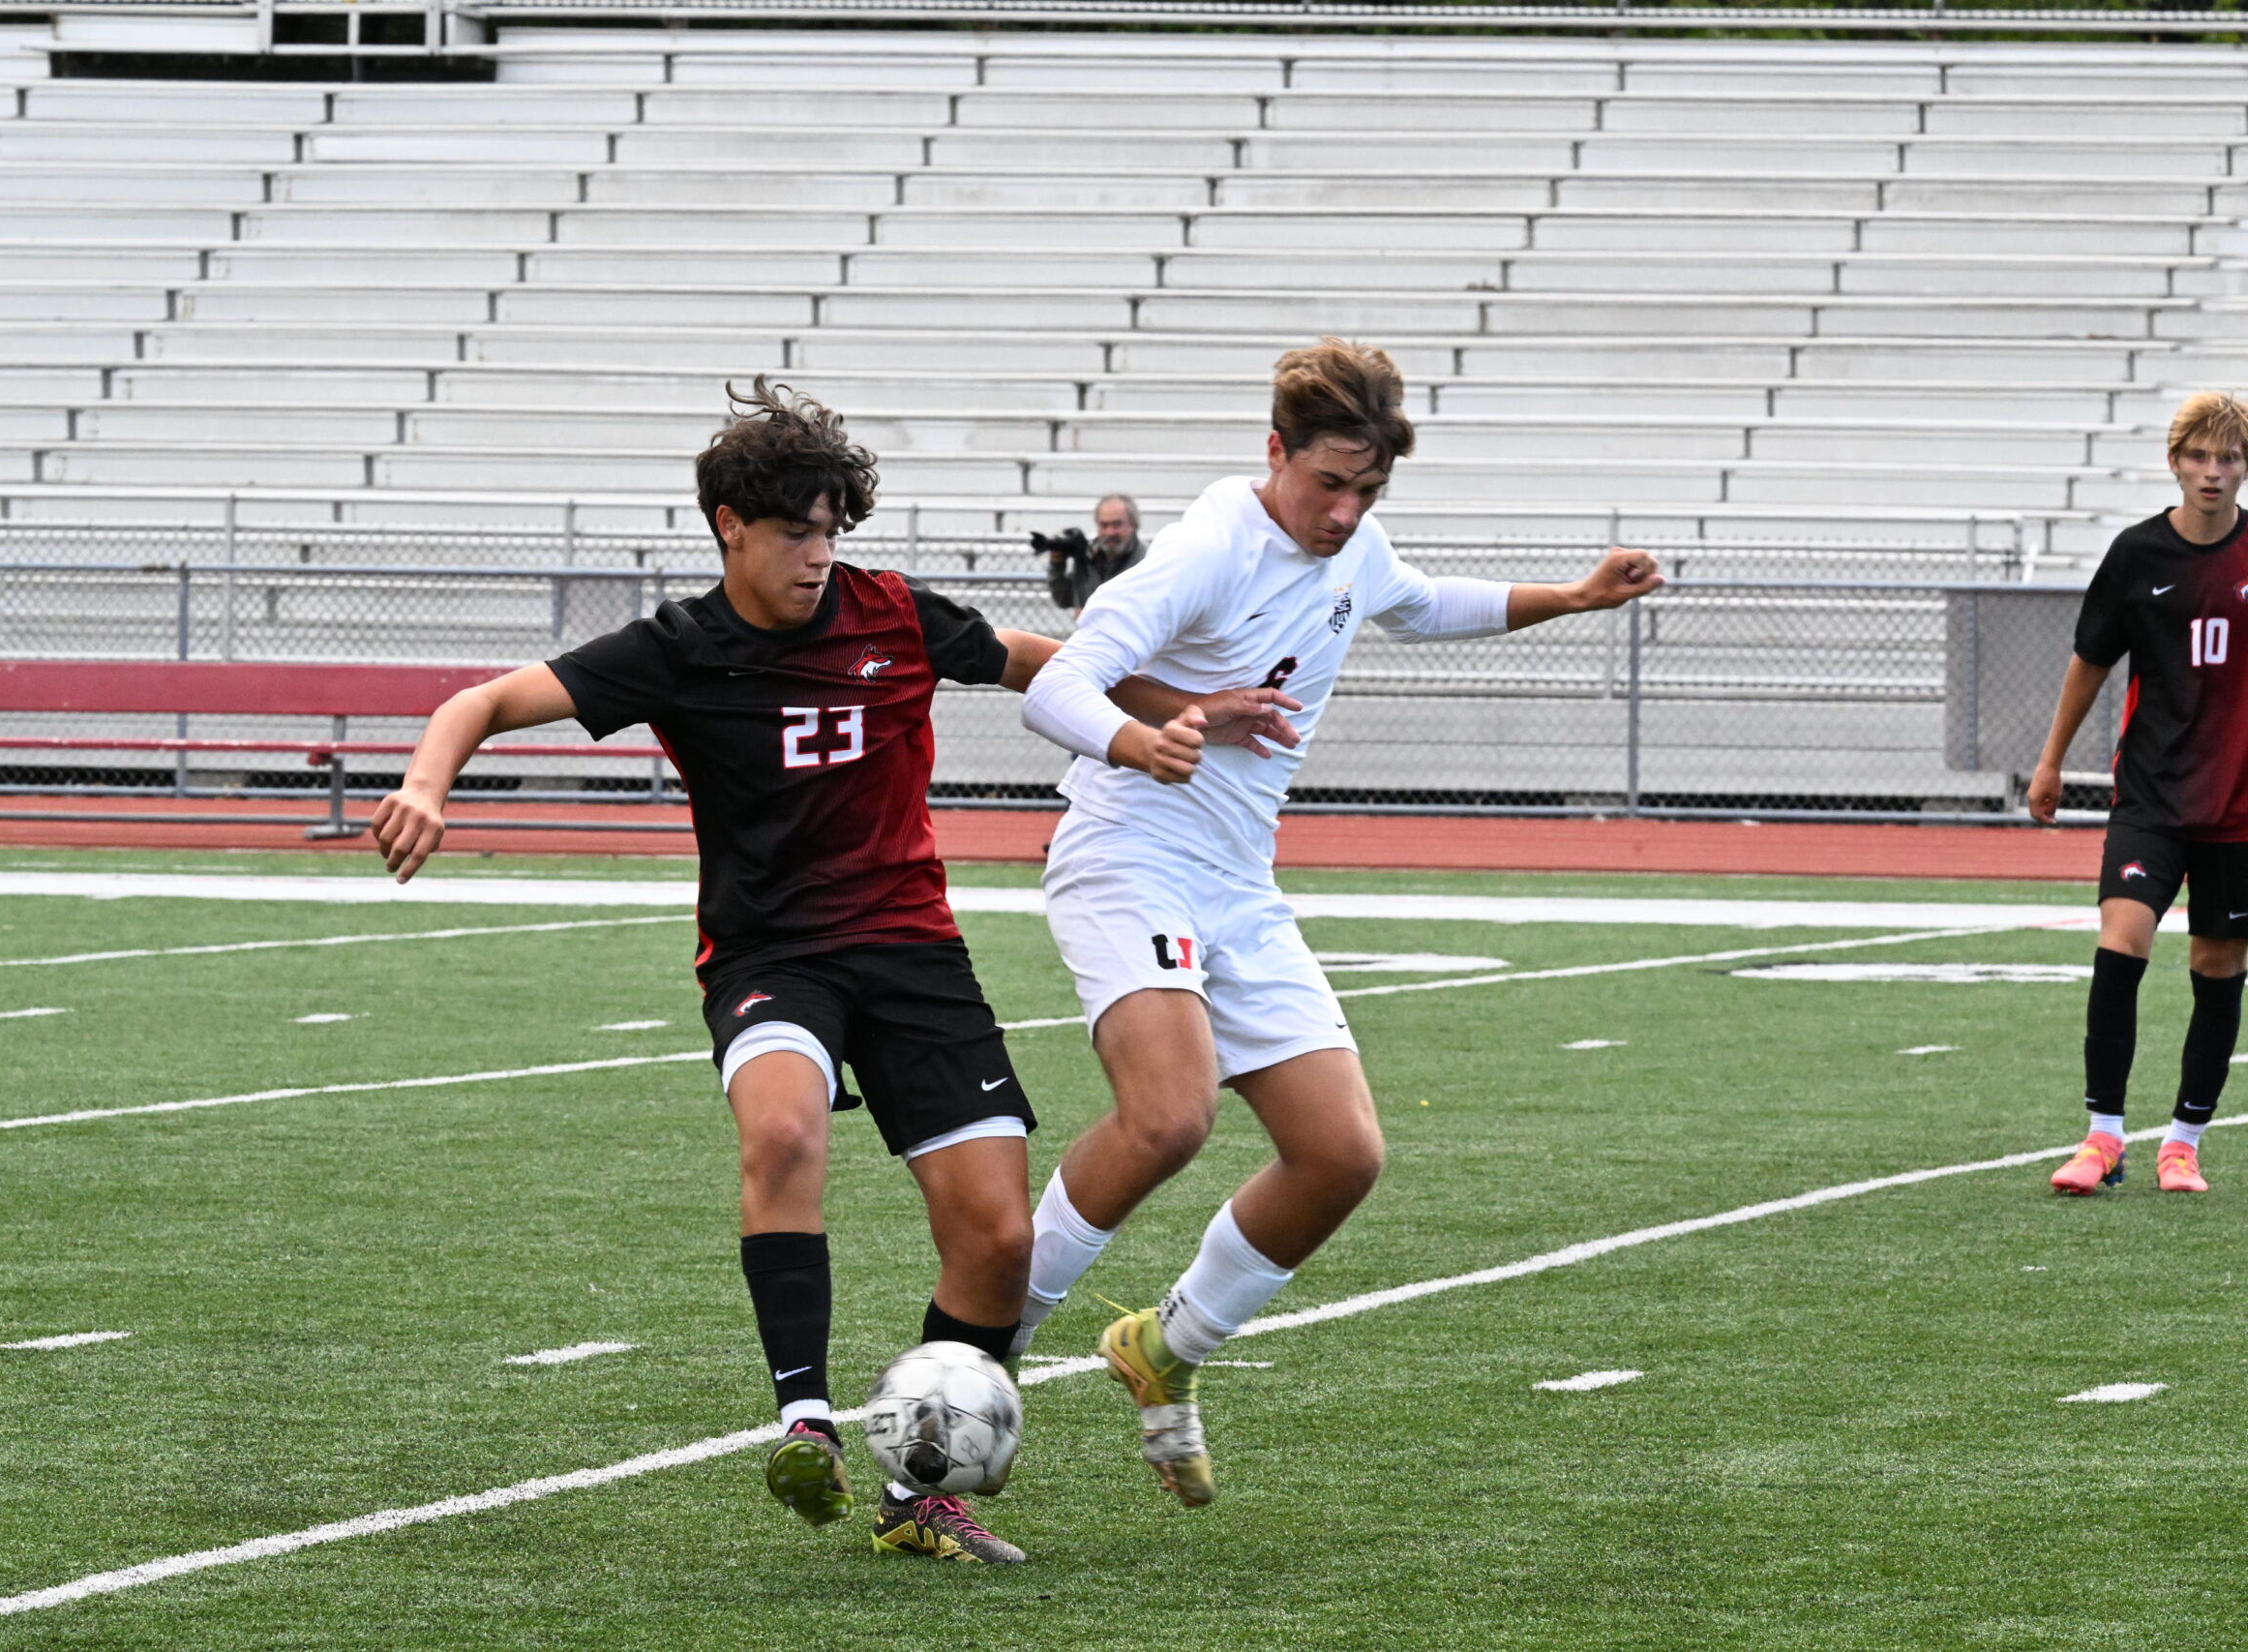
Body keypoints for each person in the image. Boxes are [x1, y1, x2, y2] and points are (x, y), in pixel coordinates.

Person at [367, 378, 1299, 1563]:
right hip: (771, 957)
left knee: (999, 1242)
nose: (816, 555)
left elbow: (1040, 665)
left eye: (829, 530)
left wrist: (1193, 708)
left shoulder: (894, 613)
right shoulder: (677, 648)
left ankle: (920, 1497)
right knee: (784, 1133)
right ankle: (803, 1416)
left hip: (911, 951)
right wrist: (425, 783)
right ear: (728, 526)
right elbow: (486, 699)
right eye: (793, 531)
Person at [1010, 338, 1664, 1507]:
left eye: (1366, 490)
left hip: (1236, 884)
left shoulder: (1353, 542)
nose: (1344, 510)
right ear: (1274, 454)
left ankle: (1162, 1348)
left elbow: (1418, 603)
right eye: (1327, 484)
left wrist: (1568, 595)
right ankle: (979, 1346)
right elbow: (1060, 675)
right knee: (1168, 1119)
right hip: (1129, 854)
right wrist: (1146, 735)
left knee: (1341, 1155)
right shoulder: (1208, 547)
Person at [2029, 390, 2248, 1197]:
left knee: (2218, 967)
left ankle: (2183, 1143)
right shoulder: (2136, 554)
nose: (2214, 472)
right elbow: (2089, 660)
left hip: (2238, 808)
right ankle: (2104, 1137)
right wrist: (2051, 761)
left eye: (2228, 458)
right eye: (2200, 457)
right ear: (2175, 462)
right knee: (2120, 946)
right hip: (2150, 797)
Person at [1046, 494, 1148, 613]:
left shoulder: (1147, 561)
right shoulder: (1088, 555)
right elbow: (1063, 599)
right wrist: (1057, 562)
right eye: (1104, 525)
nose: (1110, 532)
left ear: (1133, 525)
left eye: (1117, 525)